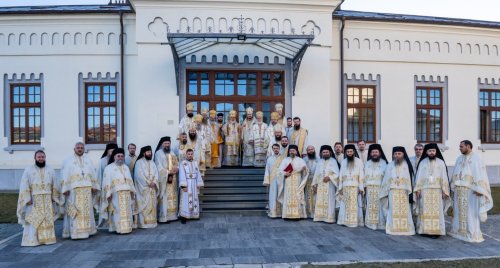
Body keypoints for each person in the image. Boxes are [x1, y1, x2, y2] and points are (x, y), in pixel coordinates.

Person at [449, 140, 493, 243]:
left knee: (470, 213)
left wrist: (481, 190)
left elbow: (481, 174)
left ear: (468, 146)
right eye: (460, 146)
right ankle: (458, 232)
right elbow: (456, 172)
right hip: (459, 191)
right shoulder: (459, 158)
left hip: (471, 191)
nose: (459, 148)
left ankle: (472, 233)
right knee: (458, 212)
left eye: (461, 146)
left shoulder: (477, 158)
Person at [17, 150, 59, 246]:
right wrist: (27, 198)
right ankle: (33, 240)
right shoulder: (28, 169)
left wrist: (54, 196)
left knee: (47, 218)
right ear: (35, 158)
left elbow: (55, 184)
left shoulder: (50, 169)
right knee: (35, 219)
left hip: (47, 198)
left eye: (42, 157)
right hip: (34, 199)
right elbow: (24, 184)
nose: (41, 159)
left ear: (45, 158)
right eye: (39, 157)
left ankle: (48, 238)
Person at [60, 142, 100, 240]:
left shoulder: (88, 160)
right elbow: (64, 174)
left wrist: (94, 186)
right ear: (74, 149)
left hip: (87, 190)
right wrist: (65, 188)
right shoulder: (68, 161)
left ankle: (88, 231)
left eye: (82, 147)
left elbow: (92, 173)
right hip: (74, 190)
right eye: (78, 147)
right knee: (75, 210)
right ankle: (75, 233)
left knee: (87, 210)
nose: (80, 149)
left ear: (84, 149)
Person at [414, 143, 451, 238]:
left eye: (433, 151)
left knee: (436, 211)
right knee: (424, 210)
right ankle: (424, 230)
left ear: (436, 151)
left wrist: (445, 191)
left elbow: (444, 177)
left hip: (437, 190)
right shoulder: (422, 163)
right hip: (424, 190)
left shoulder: (441, 162)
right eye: (430, 151)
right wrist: (417, 189)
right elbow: (418, 176)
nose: (431, 152)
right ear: (426, 152)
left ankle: (436, 231)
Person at [99, 148, 136, 234]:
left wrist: (132, 191)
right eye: (118, 156)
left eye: (122, 156)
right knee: (117, 211)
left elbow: (130, 180)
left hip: (126, 193)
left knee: (127, 211)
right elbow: (106, 182)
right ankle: (117, 228)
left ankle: (127, 228)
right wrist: (108, 193)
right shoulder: (109, 168)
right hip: (116, 194)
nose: (120, 158)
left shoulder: (126, 167)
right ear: (114, 157)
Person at [380, 146, 415, 235]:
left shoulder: (408, 165)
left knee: (405, 210)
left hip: (404, 192)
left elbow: (411, 179)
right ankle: (393, 228)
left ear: (403, 154)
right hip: (393, 191)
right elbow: (386, 179)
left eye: (399, 154)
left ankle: (406, 228)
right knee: (392, 209)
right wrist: (385, 191)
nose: (397, 155)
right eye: (395, 154)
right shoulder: (390, 165)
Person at [277, 145, 309, 219]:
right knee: (288, 196)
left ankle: (298, 215)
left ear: (296, 151)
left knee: (297, 196)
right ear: (289, 151)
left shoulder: (301, 160)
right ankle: (286, 215)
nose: (292, 152)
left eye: (293, 150)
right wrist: (285, 173)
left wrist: (304, 169)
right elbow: (279, 172)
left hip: (297, 181)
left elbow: (306, 172)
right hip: (288, 181)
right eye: (290, 151)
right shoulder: (285, 160)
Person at [337, 144, 364, 227]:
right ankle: (344, 221)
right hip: (345, 186)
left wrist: (361, 187)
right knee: (344, 204)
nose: (349, 153)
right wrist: (340, 187)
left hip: (355, 186)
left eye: (351, 151)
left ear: (354, 152)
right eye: (348, 152)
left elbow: (361, 175)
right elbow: (340, 175)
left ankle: (354, 221)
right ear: (345, 152)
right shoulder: (344, 161)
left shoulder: (359, 161)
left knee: (355, 204)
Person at [154, 136, 180, 223]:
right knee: (165, 198)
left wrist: (177, 168)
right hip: (164, 179)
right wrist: (168, 172)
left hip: (173, 179)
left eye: (168, 143)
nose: (167, 145)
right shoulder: (158, 153)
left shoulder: (172, 152)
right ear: (162, 144)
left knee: (173, 196)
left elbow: (177, 163)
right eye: (165, 143)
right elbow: (158, 166)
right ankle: (164, 217)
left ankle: (173, 216)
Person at [311, 145, 340, 223]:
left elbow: (337, 174)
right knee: (319, 200)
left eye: (327, 152)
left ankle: (329, 218)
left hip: (330, 185)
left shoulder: (333, 161)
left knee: (330, 201)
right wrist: (314, 185)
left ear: (330, 152)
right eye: (323, 152)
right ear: (321, 153)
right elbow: (316, 174)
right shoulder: (320, 161)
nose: (325, 153)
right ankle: (319, 217)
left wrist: (330, 177)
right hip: (320, 184)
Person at [133, 146, 159, 229]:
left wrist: (154, 182)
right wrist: (148, 183)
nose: (150, 153)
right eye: (148, 152)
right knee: (145, 205)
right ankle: (143, 223)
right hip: (143, 188)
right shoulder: (139, 162)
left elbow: (156, 173)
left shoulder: (152, 162)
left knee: (152, 205)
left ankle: (152, 222)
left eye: (150, 152)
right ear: (144, 153)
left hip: (152, 188)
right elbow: (138, 175)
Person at [363, 144, 388, 230]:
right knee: (370, 205)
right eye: (373, 152)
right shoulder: (367, 164)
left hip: (380, 188)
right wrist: (364, 187)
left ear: (379, 153)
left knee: (380, 206)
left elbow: (386, 177)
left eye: (376, 152)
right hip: (369, 188)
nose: (374, 154)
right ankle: (370, 224)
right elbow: (364, 176)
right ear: (370, 154)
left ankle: (380, 224)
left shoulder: (384, 163)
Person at [178, 149, 204, 224]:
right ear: (186, 154)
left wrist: (198, 184)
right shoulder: (183, 163)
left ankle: (193, 215)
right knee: (186, 200)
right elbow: (182, 174)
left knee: (194, 199)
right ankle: (184, 216)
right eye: (188, 154)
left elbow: (198, 173)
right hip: (187, 184)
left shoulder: (195, 163)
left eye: (191, 154)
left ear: (193, 154)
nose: (190, 155)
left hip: (194, 183)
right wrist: (183, 186)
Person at [263, 144, 285, 218]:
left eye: (277, 148)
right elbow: (267, 170)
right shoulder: (269, 159)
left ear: (279, 149)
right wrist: (267, 180)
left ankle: (282, 213)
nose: (276, 150)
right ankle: (273, 213)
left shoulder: (283, 158)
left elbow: (287, 168)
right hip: (272, 180)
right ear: (272, 149)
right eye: (274, 148)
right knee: (273, 196)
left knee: (281, 194)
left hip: (281, 180)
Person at [303, 145, 318, 218]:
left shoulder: (319, 159)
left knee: (315, 198)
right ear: (307, 151)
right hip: (307, 181)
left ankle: (315, 214)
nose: (310, 151)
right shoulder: (304, 159)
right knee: (307, 197)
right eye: (309, 150)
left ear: (314, 150)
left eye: (312, 149)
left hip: (316, 182)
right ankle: (308, 213)